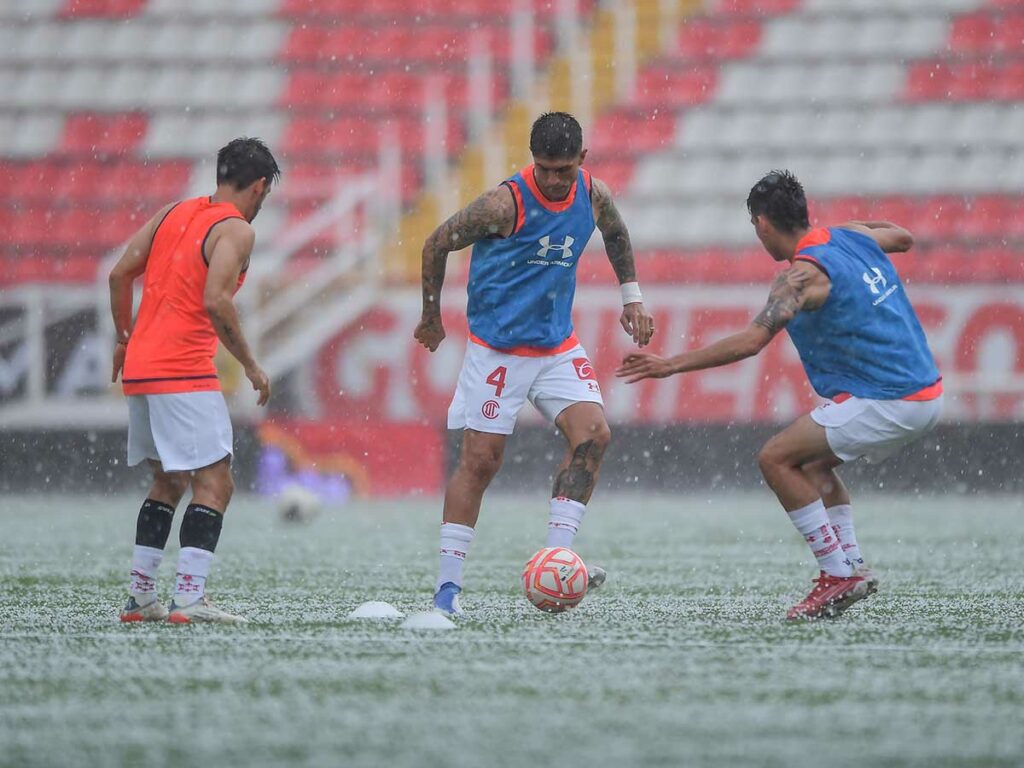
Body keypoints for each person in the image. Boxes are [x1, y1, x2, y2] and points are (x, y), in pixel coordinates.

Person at [617, 170, 942, 621]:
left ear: (763, 224)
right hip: (923, 392)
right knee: (811, 463)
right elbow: (902, 237)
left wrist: (670, 364)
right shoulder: (846, 237)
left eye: (756, 227)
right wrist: (846, 236)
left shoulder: (799, 278)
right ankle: (852, 566)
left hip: (891, 400)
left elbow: (752, 342)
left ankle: (837, 574)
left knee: (775, 458)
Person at [414, 112, 654, 616]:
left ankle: (558, 557)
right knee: (481, 464)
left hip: (556, 346)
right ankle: (447, 590)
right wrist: (431, 316)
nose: (552, 179)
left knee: (594, 435)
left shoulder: (593, 194)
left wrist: (631, 297)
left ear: (581, 161)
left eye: (562, 170)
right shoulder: (503, 204)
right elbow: (436, 243)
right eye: (544, 168)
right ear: (532, 161)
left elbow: (616, 234)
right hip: (498, 350)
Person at [109, 137, 279, 624]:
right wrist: (250, 364)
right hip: (183, 370)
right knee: (216, 482)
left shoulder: (172, 213)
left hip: (142, 367)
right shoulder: (236, 231)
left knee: (168, 479)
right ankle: (188, 598)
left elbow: (119, 274)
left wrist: (124, 338)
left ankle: (141, 598)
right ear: (261, 186)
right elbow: (216, 301)